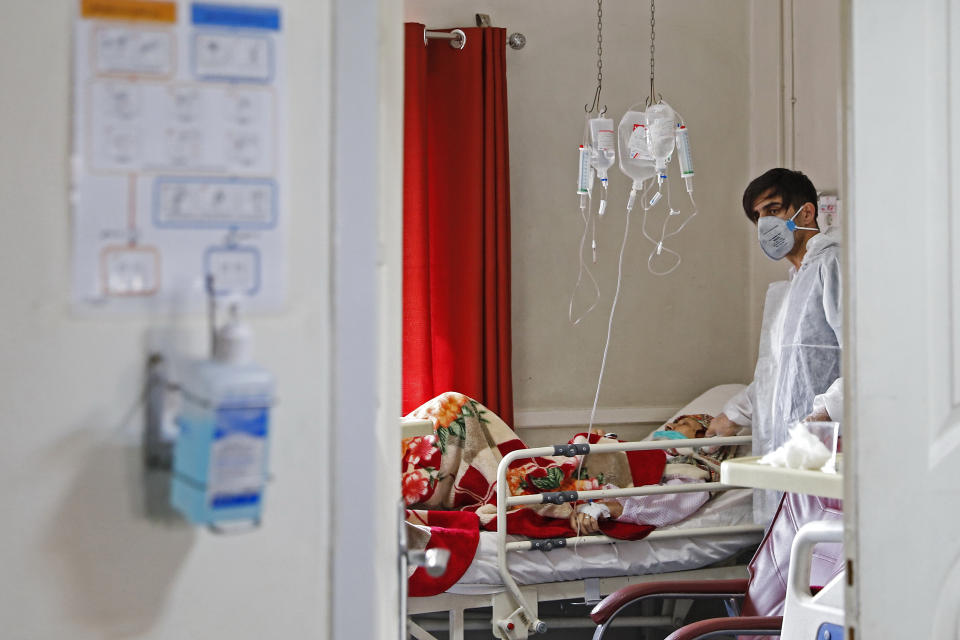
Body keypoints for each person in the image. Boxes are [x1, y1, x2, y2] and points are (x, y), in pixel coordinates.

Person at [705, 168, 842, 522]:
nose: (763, 223)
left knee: (822, 551)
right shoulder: (793, 287)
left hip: (828, 438)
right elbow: (777, 374)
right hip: (790, 443)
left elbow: (867, 356)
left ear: (806, 213)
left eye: (773, 209)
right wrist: (732, 415)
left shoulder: (834, 264)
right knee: (793, 550)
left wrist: (825, 412)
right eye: (757, 216)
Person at [568, 415, 736, 534]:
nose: (669, 426)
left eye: (683, 423)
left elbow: (660, 506)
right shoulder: (652, 452)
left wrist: (603, 507)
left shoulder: (694, 474)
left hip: (580, 495)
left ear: (704, 438)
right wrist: (602, 445)